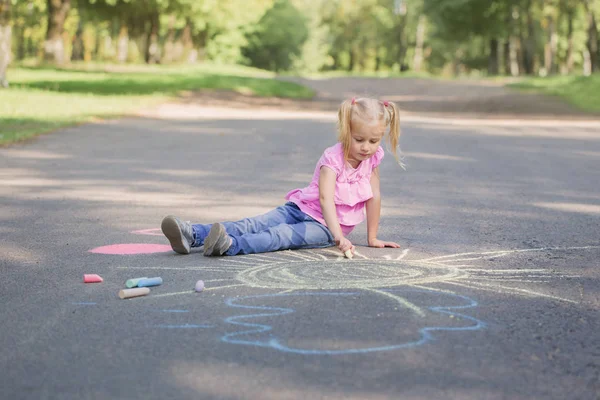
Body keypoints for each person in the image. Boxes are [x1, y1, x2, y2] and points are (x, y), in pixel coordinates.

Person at [161, 97, 403, 257]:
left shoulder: (373, 158)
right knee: (254, 223)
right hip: (300, 209)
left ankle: (229, 245)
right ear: (346, 131)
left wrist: (371, 237)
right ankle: (193, 234)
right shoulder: (333, 159)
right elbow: (326, 198)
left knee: (281, 236)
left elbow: (375, 196)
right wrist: (340, 236)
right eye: (359, 139)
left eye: (373, 141)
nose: (366, 147)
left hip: (324, 228)